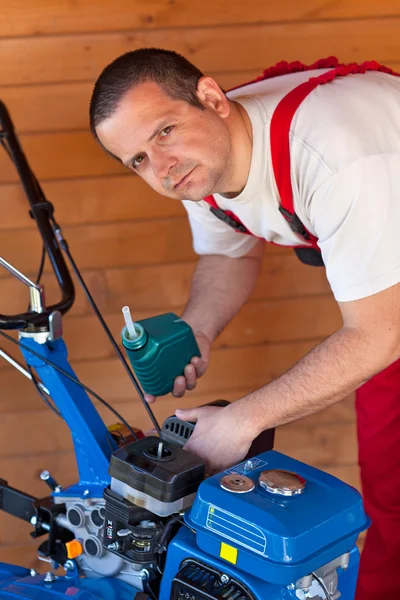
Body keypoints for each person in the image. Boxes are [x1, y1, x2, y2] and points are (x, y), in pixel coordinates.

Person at [89, 48, 400, 600]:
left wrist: (240, 423)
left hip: (385, 317)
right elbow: (229, 254)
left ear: (211, 98)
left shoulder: (336, 155)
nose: (159, 168)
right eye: (136, 159)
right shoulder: (201, 160)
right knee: (390, 486)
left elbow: (379, 334)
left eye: (164, 131)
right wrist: (199, 330)